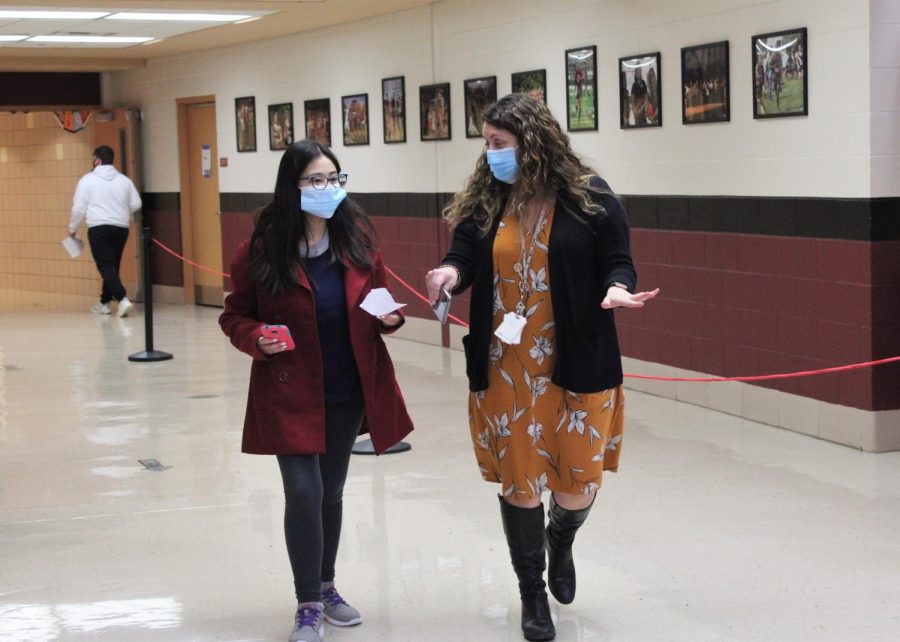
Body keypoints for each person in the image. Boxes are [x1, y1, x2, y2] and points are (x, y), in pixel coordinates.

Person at [425, 94, 657, 642]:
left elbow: (617, 261)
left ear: (533, 143)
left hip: (576, 360)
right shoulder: (487, 201)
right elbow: (462, 257)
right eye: (487, 144)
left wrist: (618, 289)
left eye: (499, 144)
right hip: (506, 366)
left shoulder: (590, 197)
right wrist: (447, 275)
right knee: (519, 482)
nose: (491, 154)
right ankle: (532, 591)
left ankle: (562, 536)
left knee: (576, 485)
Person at [219, 140, 414, 642]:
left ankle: (327, 585)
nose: (328, 189)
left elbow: (379, 302)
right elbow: (235, 313)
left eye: (335, 178)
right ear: (292, 186)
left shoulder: (359, 243)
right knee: (302, 492)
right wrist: (254, 338)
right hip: (288, 388)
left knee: (330, 491)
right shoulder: (259, 250)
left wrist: (390, 318)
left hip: (347, 387)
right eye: (315, 180)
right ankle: (307, 600)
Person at [68, 145, 141, 317]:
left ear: (97, 160)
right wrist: (125, 213)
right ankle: (104, 302)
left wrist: (72, 228)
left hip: (98, 228)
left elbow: (79, 208)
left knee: (106, 265)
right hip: (121, 228)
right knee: (112, 265)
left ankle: (122, 299)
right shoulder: (124, 180)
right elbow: (136, 203)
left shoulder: (87, 180)